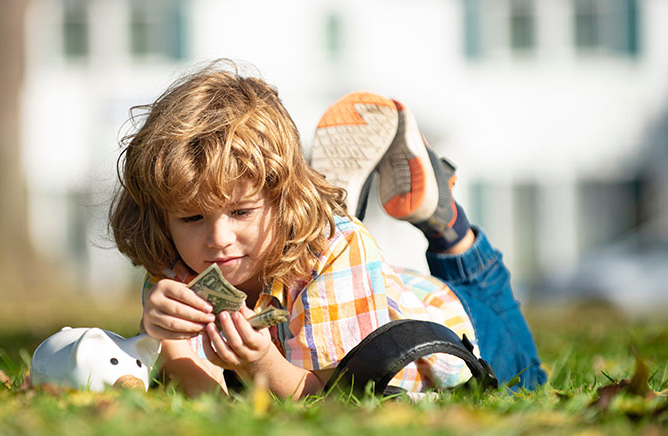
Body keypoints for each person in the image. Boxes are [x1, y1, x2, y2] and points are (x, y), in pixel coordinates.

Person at [109, 61, 546, 398]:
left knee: (527, 370)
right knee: (341, 265)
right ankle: (339, 201)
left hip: (455, 330)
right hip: (357, 293)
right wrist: (165, 342)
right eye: (191, 218)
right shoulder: (177, 266)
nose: (217, 239)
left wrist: (261, 363)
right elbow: (202, 393)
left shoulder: (332, 252)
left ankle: (446, 221)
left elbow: (338, 397)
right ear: (162, 215)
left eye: (240, 212)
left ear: (281, 200)